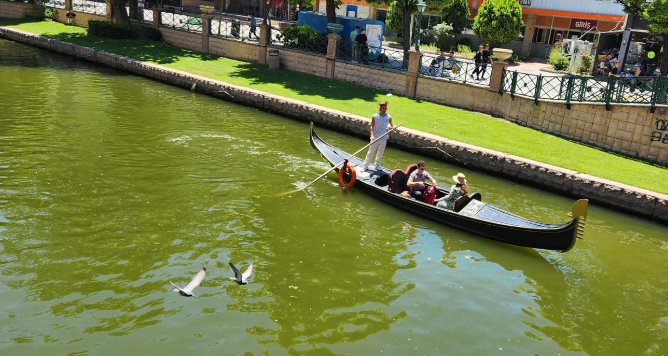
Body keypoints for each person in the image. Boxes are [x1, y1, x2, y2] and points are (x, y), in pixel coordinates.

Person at [363, 101, 395, 171]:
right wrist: (371, 135)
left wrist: (393, 127)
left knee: (380, 152)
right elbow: (372, 126)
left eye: (386, 108)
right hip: (375, 137)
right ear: (380, 108)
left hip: (384, 137)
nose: (385, 110)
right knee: (371, 152)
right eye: (383, 108)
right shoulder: (375, 116)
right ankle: (365, 165)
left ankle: (377, 165)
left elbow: (392, 124)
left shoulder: (388, 116)